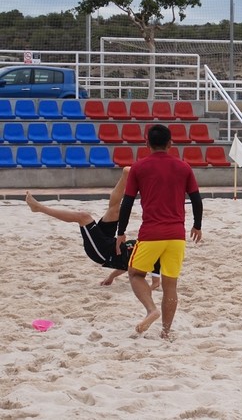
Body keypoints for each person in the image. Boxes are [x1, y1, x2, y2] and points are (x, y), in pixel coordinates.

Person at [116, 124, 203, 339]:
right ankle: (166, 331)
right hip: (176, 236)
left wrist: (121, 232)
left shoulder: (138, 167)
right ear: (170, 144)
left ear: (147, 144)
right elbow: (196, 200)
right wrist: (197, 225)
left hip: (151, 234)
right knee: (170, 284)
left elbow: (126, 203)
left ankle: (151, 310)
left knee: (135, 274)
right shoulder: (184, 167)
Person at [25, 167, 160, 287]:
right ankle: (125, 176)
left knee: (83, 217)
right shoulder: (150, 243)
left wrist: (115, 276)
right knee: (114, 211)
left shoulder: (155, 262)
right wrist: (111, 277)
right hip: (112, 242)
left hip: (103, 253)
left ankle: (39, 208)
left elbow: (133, 270)